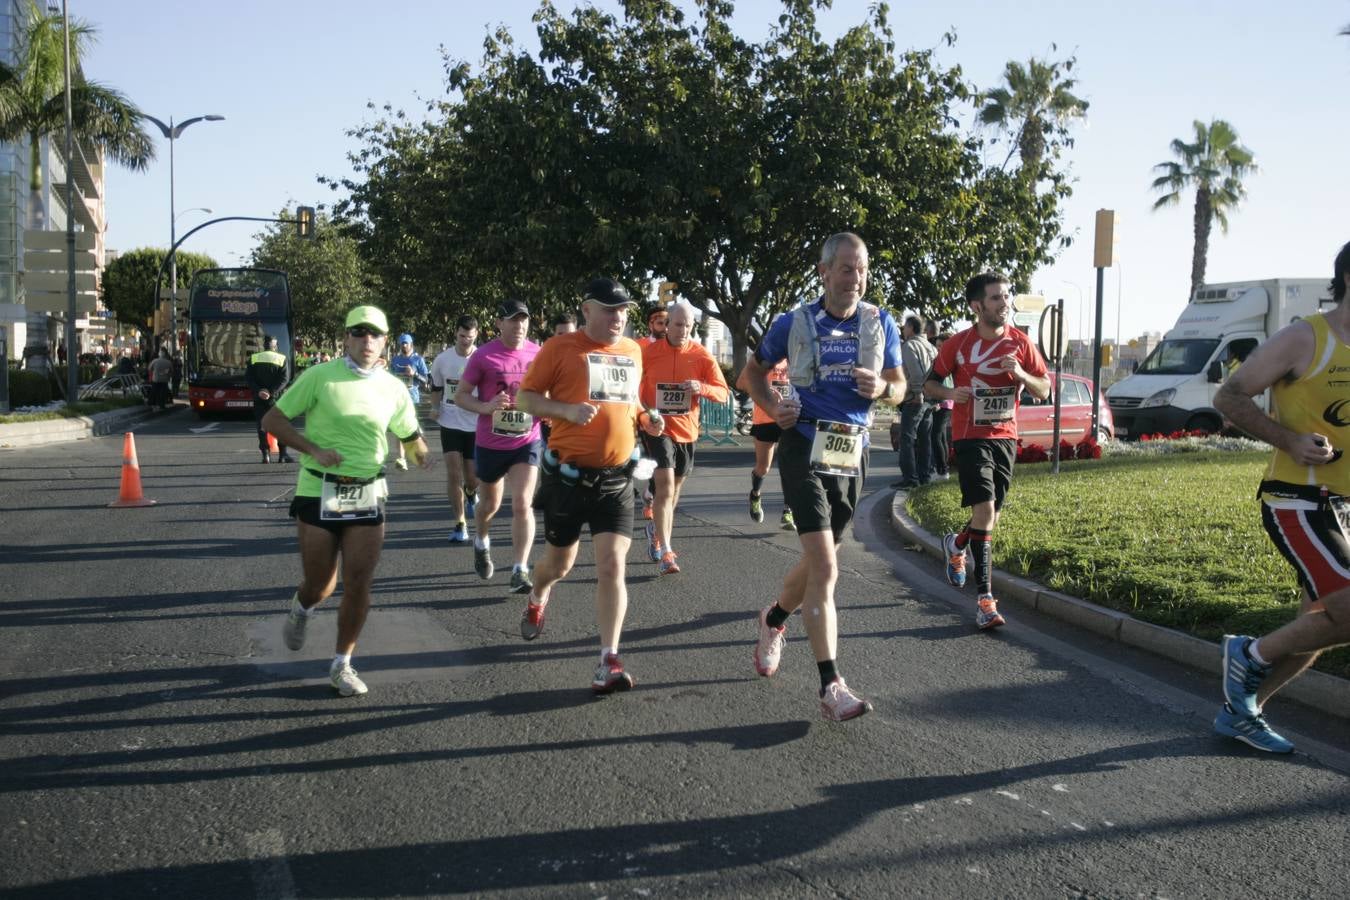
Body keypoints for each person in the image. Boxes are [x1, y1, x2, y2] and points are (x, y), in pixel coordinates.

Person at [741, 232, 904, 722]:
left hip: (851, 452)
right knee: (827, 568)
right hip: (803, 445)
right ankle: (831, 684)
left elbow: (900, 387)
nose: (856, 279)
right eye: (848, 269)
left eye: (863, 270)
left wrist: (883, 388)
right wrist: (774, 408)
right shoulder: (793, 322)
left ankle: (773, 618)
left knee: (820, 561)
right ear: (825, 272)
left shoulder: (881, 322)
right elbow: (748, 374)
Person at [1208, 241, 1350, 754]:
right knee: (1347, 613)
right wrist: (1290, 440)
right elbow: (1229, 396)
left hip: (1344, 508)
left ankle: (1241, 712)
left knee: (1321, 623)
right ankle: (1249, 652)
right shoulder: (1305, 338)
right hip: (1298, 500)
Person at [261, 305, 431, 697]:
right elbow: (272, 421)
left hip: (368, 489)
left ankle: (342, 664)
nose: (366, 341)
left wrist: (422, 454)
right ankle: (301, 608)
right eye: (359, 333)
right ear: (346, 338)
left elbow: (409, 436)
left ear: (386, 341)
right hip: (318, 487)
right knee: (321, 582)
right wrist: (312, 448)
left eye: (375, 334)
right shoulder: (320, 377)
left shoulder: (394, 388)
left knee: (359, 582)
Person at [515, 277, 664, 693]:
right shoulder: (559, 348)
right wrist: (564, 409)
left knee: (612, 565)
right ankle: (538, 594)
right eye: (609, 309)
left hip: (616, 480)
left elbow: (630, 400)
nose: (618, 317)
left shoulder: (632, 350)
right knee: (557, 566)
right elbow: (526, 399)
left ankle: (608, 659)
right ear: (586, 310)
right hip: (568, 478)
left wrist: (647, 416)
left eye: (623, 310)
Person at [924, 272, 1050, 630]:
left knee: (989, 517)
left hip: (1005, 436)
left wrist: (1022, 376)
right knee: (985, 508)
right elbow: (929, 384)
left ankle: (957, 544)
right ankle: (985, 601)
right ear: (977, 306)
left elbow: (1043, 389)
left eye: (1007, 296)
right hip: (969, 435)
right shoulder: (958, 345)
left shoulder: (1021, 343)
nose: (1005, 303)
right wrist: (952, 394)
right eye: (996, 298)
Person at [455, 300, 542, 591]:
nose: (519, 326)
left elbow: (549, 391)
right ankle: (481, 541)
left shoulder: (538, 353)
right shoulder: (483, 356)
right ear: (499, 324)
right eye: (512, 320)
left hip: (526, 440)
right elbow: (461, 396)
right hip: (491, 443)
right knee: (489, 506)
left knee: (522, 504)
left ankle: (520, 569)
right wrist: (487, 406)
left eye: (523, 320)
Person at [639, 302, 729, 573]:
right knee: (665, 486)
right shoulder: (650, 352)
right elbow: (634, 386)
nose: (683, 330)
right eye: (678, 325)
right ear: (667, 324)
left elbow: (723, 392)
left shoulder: (701, 355)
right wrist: (643, 414)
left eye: (688, 326)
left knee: (675, 489)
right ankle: (667, 551)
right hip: (658, 427)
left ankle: (656, 533)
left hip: (687, 430)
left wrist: (700, 387)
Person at [429, 316, 481, 544]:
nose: (465, 341)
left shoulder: (482, 358)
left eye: (469, 338)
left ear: (476, 335)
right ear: (456, 334)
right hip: (449, 421)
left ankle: (471, 492)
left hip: (474, 423)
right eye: (462, 336)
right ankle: (460, 524)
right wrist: (433, 406)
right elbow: (436, 386)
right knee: (453, 473)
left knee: (471, 476)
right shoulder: (442, 359)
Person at [737, 353, 795, 530]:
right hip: (766, 418)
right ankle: (755, 495)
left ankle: (788, 510)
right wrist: (766, 391)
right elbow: (741, 383)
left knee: (791, 468)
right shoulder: (764, 357)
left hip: (791, 418)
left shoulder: (800, 357)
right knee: (763, 467)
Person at [634, 304, 670, 519]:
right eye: (660, 323)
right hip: (639, 408)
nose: (664, 327)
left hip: (667, 413)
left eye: (667, 322)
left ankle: (650, 493)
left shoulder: (674, 346)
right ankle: (648, 493)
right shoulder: (638, 346)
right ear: (650, 324)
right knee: (648, 456)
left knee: (658, 457)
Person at [893, 315, 937, 489]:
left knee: (907, 438)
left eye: (904, 327)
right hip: (931, 398)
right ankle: (924, 476)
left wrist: (918, 391)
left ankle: (910, 479)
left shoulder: (910, 345)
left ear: (910, 328)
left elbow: (916, 373)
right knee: (925, 439)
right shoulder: (931, 347)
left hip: (916, 398)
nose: (903, 331)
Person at [246, 336, 292, 464]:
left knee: (261, 426)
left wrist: (260, 391)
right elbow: (284, 380)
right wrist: (271, 392)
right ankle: (282, 455)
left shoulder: (254, 358)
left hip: (259, 398)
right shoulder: (282, 358)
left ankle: (265, 454)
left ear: (264, 345)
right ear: (275, 346)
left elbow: (249, 379)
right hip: (277, 399)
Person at [389, 333, 430, 470]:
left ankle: (421, 455)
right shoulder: (395, 360)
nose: (404, 345)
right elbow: (390, 378)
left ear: (411, 344)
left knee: (415, 430)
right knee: (400, 428)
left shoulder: (418, 360)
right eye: (402, 343)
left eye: (406, 343)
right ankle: (401, 458)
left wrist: (414, 374)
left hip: (414, 399)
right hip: (398, 399)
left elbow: (427, 380)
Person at [929, 331, 955, 480]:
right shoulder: (945, 358)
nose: (938, 349)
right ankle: (943, 468)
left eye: (941, 346)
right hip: (946, 401)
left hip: (943, 402)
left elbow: (943, 382)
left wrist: (937, 401)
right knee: (941, 436)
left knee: (936, 435)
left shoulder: (946, 360)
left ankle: (942, 470)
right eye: (937, 346)